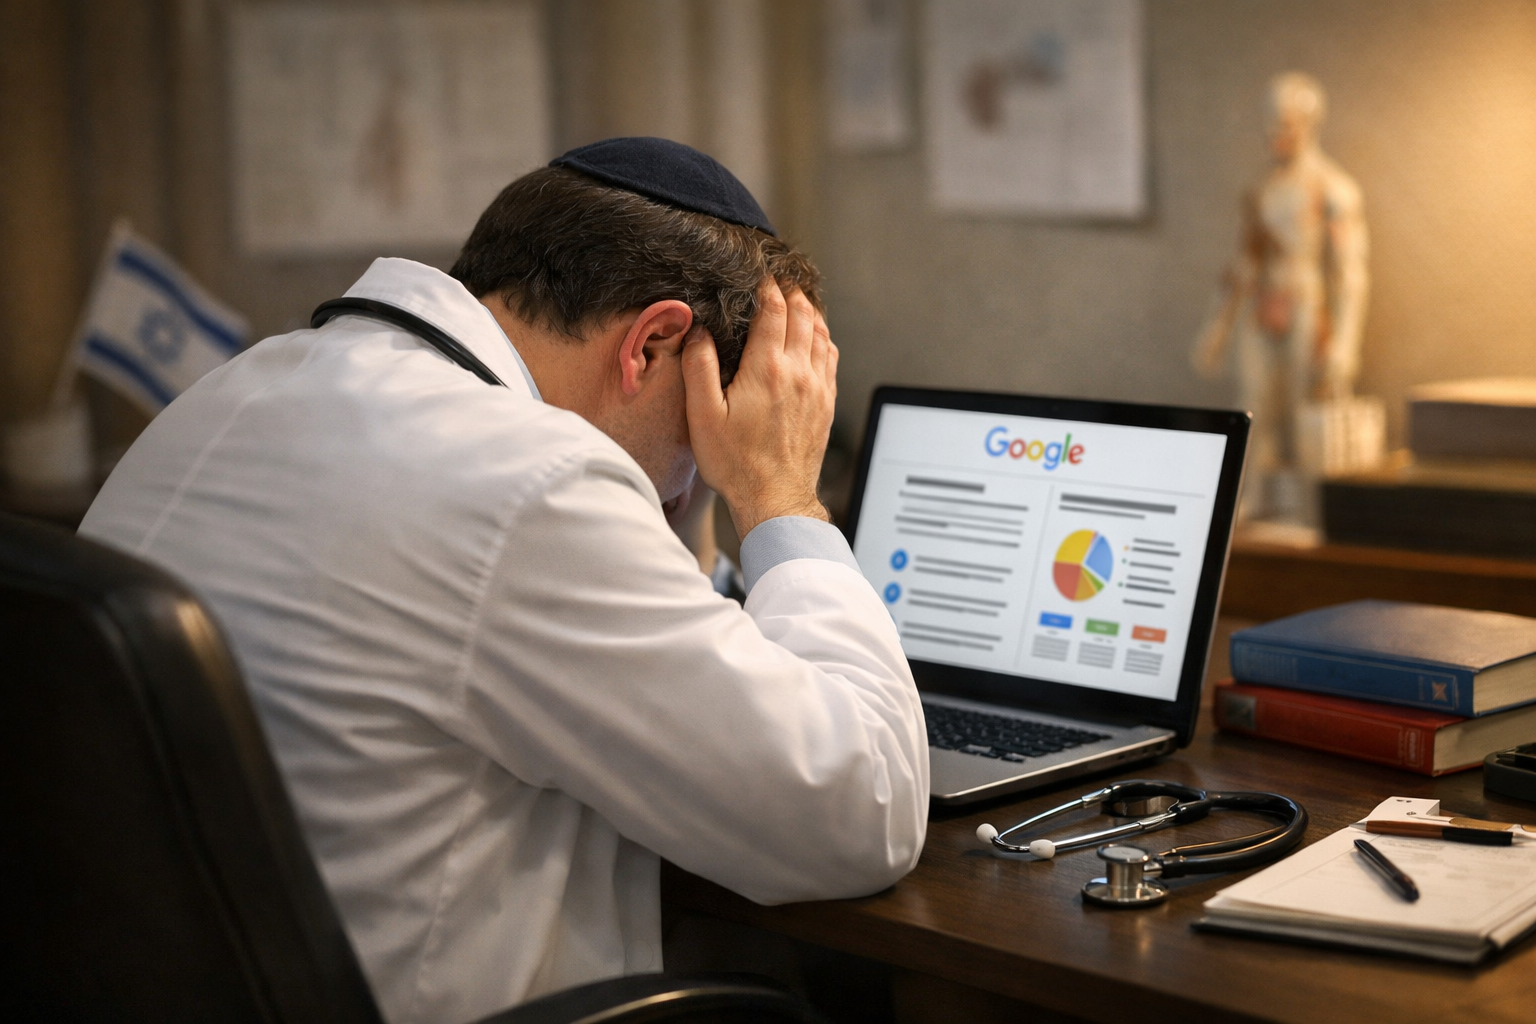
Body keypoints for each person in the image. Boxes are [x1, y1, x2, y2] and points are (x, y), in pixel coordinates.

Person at [79, 138, 928, 1024]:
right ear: (652, 345)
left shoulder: (242, 388)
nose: (704, 466)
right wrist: (778, 492)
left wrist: (677, 489)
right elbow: (860, 813)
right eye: (710, 420)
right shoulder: (532, 484)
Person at [1192, 72, 1370, 518]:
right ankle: (1250, 500)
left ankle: (1311, 510)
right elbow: (1242, 263)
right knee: (1251, 405)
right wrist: (1216, 328)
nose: (1275, 134)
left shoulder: (1333, 187)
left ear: (1307, 124)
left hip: (1305, 307)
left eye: (1285, 124)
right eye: (1271, 123)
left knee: (1302, 413)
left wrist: (1346, 343)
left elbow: (1351, 272)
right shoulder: (1263, 190)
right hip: (1261, 306)